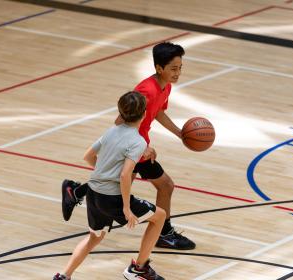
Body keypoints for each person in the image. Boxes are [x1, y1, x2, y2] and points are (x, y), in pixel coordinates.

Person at [62, 42, 195, 250]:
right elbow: (121, 120)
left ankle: (76, 191)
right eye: (173, 68)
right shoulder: (146, 90)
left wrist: (179, 133)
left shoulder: (165, 86)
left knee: (119, 185)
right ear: (159, 68)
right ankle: (164, 233)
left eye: (180, 68)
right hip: (135, 148)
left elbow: (158, 112)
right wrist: (136, 147)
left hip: (140, 146)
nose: (178, 73)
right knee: (165, 185)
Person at [53, 91, 166, 280]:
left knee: (94, 238)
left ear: (120, 113)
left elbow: (88, 156)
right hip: (112, 198)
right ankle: (139, 269)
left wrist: (105, 173)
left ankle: (64, 276)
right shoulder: (138, 141)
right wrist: (127, 208)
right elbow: (124, 174)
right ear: (144, 114)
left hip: (93, 194)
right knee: (160, 217)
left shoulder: (111, 131)